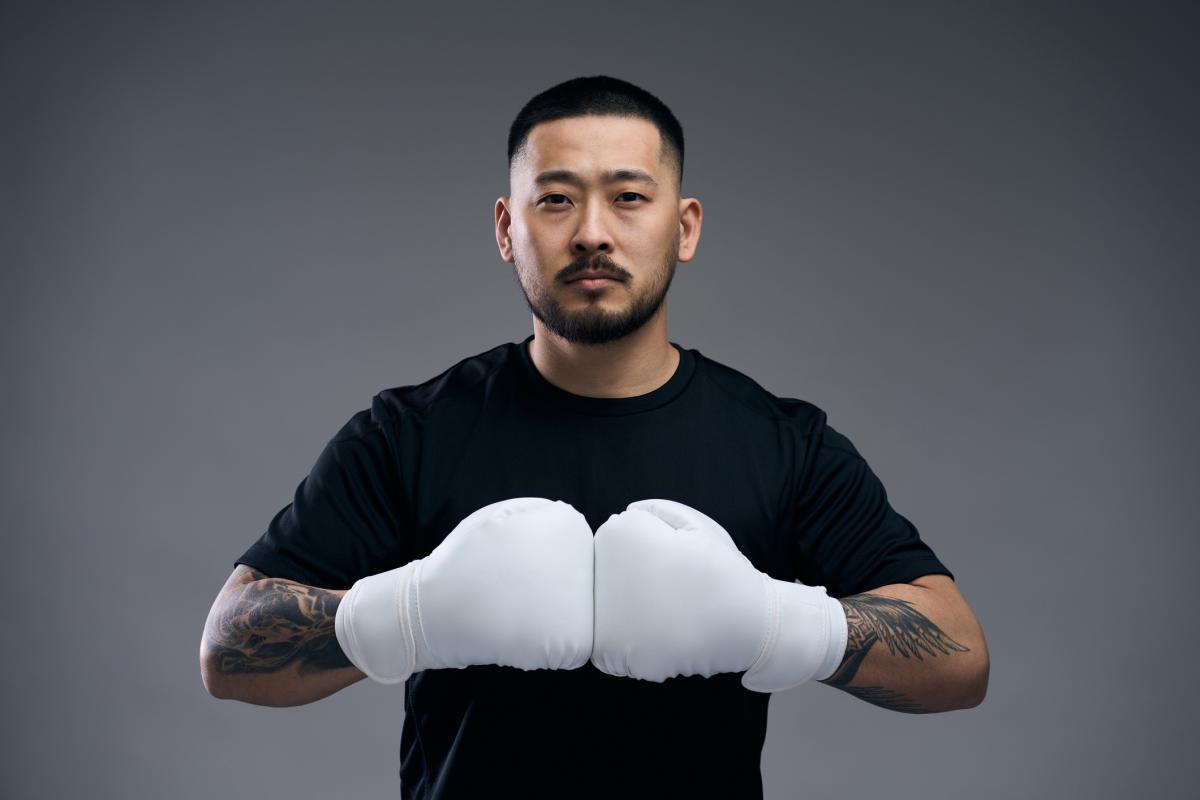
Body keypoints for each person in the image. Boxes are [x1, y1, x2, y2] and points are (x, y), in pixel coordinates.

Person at [199, 75, 989, 799]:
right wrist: (410, 616)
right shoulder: (409, 434)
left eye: (629, 197)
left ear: (684, 227)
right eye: (555, 200)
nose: (591, 233)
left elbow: (960, 659)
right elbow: (228, 648)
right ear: (506, 228)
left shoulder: (783, 443)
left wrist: (775, 624)